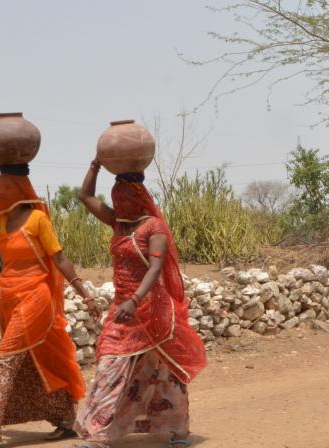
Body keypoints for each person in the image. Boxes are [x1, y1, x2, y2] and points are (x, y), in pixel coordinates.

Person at [74, 160, 207, 448]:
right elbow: (85, 197)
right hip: (121, 309)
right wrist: (95, 165)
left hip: (149, 309)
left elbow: (155, 269)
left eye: (123, 196)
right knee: (110, 366)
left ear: (136, 196)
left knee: (165, 371)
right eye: (115, 196)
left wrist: (135, 301)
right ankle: (98, 433)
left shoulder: (153, 227)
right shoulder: (118, 222)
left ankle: (178, 431)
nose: (118, 202)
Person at [0, 153, 92, 448]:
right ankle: (66, 420)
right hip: (8, 297)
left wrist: (83, 291)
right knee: (38, 359)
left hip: (37, 297)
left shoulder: (38, 219)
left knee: (3, 360)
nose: (0, 192)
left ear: (21, 189)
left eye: (6, 187)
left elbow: (58, 256)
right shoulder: (2, 213)